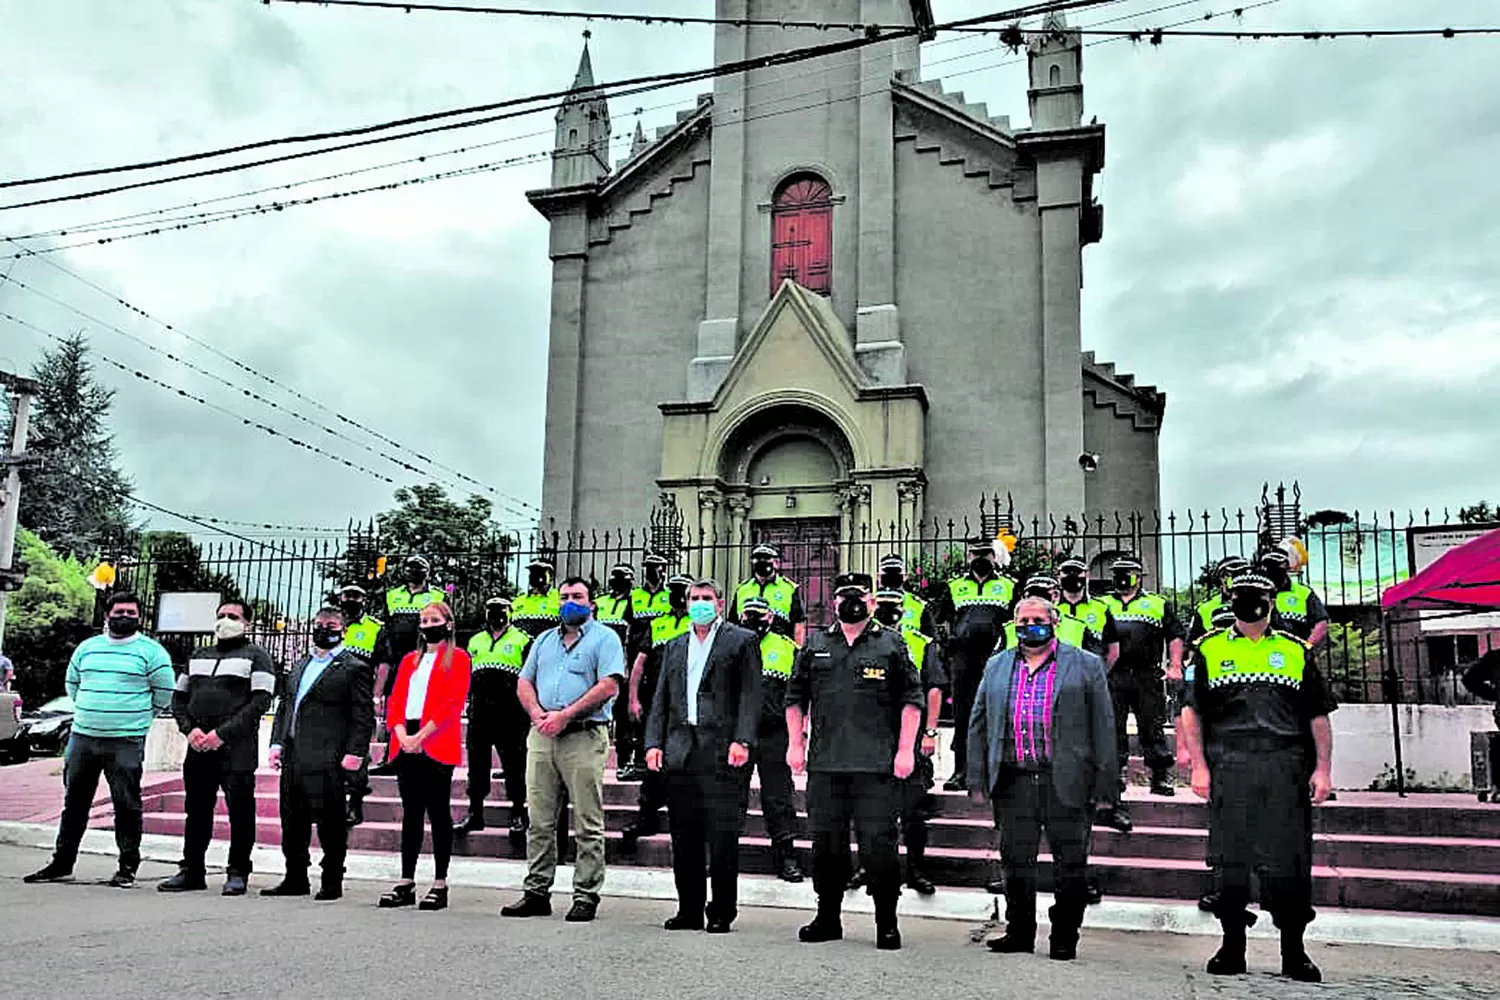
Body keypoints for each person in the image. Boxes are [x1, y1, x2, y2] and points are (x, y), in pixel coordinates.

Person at [1179, 572, 1336, 983]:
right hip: (1230, 765)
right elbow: (1192, 712)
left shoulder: (1294, 650)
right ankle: (1232, 946)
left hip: (1285, 767)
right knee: (1230, 859)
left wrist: (1323, 768)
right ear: (1231, 599)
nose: (1251, 601)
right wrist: (1198, 765)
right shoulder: (1210, 650)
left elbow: (1317, 714)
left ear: (1272, 601)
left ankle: (1294, 950)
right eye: (1243, 595)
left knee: (1290, 859)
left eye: (1260, 595)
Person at [968, 597, 1115, 962]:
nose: (1029, 625)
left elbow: (1104, 727)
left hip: (1066, 780)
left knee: (1071, 865)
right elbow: (979, 723)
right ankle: (1019, 931)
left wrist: (1106, 785)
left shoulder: (1086, 665)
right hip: (1013, 781)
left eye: (1037, 619)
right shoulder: (997, 665)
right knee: (1015, 863)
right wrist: (976, 777)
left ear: (1054, 622)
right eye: (1023, 619)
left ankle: (1065, 935)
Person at [786, 572, 921, 951]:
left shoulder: (891, 644)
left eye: (859, 596)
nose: (851, 603)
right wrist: (795, 745)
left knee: (879, 848)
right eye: (844, 596)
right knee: (826, 847)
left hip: (876, 767)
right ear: (834, 603)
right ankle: (827, 917)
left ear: (873, 602)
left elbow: (912, 700)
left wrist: (906, 749)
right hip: (826, 766)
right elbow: (795, 697)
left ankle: (886, 922)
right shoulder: (815, 644)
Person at [24, 592, 174, 888]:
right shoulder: (88, 648)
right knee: (74, 803)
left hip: (126, 740)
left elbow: (164, 692)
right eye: (119, 612)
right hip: (83, 737)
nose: (125, 617)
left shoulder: (151, 652)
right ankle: (61, 863)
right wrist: (93, 711)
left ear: (140, 617)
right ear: (107, 616)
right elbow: (73, 684)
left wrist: (139, 719)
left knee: (126, 804)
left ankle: (127, 867)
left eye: (131, 613)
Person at [502, 576, 627, 923]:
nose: (570, 601)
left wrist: (566, 715)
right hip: (542, 736)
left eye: (578, 596)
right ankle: (536, 891)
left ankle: (586, 894)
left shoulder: (606, 639)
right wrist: (537, 713)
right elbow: (524, 681)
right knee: (539, 820)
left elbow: (609, 685)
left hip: (583, 736)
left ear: (592, 602)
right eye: (565, 596)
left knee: (588, 821)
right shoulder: (543, 640)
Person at [644, 579, 761, 933]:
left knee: (722, 837)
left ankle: (722, 910)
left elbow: (750, 696)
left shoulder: (741, 641)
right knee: (685, 836)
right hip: (681, 751)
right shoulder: (675, 646)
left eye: (706, 598)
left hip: (723, 751)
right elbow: (661, 698)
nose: (699, 604)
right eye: (694, 598)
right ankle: (689, 909)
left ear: (720, 604)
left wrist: (742, 739)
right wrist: (653, 743)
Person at [160, 598, 277, 895]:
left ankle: (238, 872)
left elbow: (260, 701)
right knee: (196, 811)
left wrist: (222, 734)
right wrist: (190, 730)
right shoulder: (198, 654)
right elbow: (179, 698)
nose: (226, 620)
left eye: (234, 616)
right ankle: (191, 871)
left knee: (240, 812)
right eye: (222, 615)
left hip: (236, 751)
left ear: (246, 623)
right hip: (198, 748)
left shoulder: (257, 656)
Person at [261, 607, 374, 901]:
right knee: (292, 819)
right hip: (295, 755)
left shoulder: (354, 667)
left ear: (344, 630)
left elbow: (363, 715)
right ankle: (295, 876)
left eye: (332, 625)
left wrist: (356, 752)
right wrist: (277, 744)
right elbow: (286, 706)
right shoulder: (301, 665)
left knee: (330, 822)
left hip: (329, 756)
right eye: (319, 624)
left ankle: (332, 879)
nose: (324, 629)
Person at [379, 601, 471, 911]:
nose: (428, 624)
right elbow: (396, 700)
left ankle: (440, 883)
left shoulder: (458, 658)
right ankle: (406, 881)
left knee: (438, 812)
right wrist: (402, 733)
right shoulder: (409, 660)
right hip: (407, 738)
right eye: (424, 619)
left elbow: (452, 702)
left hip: (435, 739)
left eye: (434, 619)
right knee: (412, 812)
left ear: (448, 624)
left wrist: (422, 736)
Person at [876, 588, 947, 896]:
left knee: (913, 811)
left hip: (911, 738)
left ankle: (915, 870)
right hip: (872, 738)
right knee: (873, 811)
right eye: (882, 606)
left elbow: (933, 688)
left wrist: (930, 732)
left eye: (894, 606)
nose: (888, 611)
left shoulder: (920, 643)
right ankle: (871, 868)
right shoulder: (860, 641)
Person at [621, 572, 694, 852]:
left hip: (690, 706)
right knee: (652, 762)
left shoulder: (700, 624)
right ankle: (646, 818)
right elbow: (639, 664)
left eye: (682, 590)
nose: (677, 595)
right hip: (658, 703)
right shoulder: (657, 624)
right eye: (674, 590)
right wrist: (633, 698)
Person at [1101, 555, 1183, 801]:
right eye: (1118, 572)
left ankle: (1159, 776)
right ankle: (1116, 776)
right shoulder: (1101, 604)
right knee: (1112, 727)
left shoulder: (1157, 603)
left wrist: (1175, 666)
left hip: (1147, 674)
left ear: (1139, 576)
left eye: (1129, 572)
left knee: (1152, 726)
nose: (1123, 577)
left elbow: (1175, 635)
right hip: (1113, 674)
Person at [937, 537, 1017, 791]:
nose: (982, 558)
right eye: (976, 553)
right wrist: (949, 646)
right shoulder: (954, 587)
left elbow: (1015, 622)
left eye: (987, 553)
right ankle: (961, 770)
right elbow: (943, 621)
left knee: (999, 713)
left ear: (994, 557)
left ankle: (999, 771)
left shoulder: (1009, 586)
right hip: (963, 661)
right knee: (964, 716)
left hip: (997, 660)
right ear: (968, 556)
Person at [457, 597, 533, 843]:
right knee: (477, 762)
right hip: (480, 709)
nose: (496, 614)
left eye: (501, 610)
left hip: (511, 710)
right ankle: (475, 811)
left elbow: (531, 676)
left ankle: (519, 813)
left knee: (514, 762)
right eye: (492, 610)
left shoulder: (523, 639)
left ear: (510, 612)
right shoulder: (475, 640)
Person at [738, 596, 803, 883]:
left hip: (774, 733)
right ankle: (722, 854)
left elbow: (799, 695)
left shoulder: (787, 648)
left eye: (760, 615)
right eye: (749, 615)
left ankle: (786, 856)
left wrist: (798, 734)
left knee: (778, 798)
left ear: (770, 618)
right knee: (731, 795)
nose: (755, 620)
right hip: (739, 734)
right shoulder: (732, 645)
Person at [371, 557, 445, 776]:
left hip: (426, 660)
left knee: (426, 710)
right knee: (396, 712)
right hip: (398, 663)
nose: (414, 572)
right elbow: (385, 630)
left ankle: (425, 758)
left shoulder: (439, 596)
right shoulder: (392, 595)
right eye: (410, 568)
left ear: (428, 572)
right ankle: (391, 758)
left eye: (419, 568)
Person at [618, 552, 672, 781]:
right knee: (638, 711)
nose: (653, 571)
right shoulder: (635, 596)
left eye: (657, 567)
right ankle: (636, 761)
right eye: (649, 567)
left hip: (661, 658)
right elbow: (628, 628)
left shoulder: (671, 596)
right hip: (638, 658)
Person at [336, 583, 385, 825]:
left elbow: (384, 663)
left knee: (357, 749)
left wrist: (376, 696)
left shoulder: (374, 628)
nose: (351, 600)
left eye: (356, 596)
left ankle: (355, 804)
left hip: (359, 698)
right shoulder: (332, 623)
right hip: (331, 698)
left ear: (364, 600)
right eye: (347, 596)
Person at [730, 543, 806, 646]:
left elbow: (799, 625)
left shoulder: (789, 589)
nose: (761, 561)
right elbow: (732, 623)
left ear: (776, 563)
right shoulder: (742, 589)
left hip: (778, 650)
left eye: (766, 558)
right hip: (746, 647)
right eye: (757, 558)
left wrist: (798, 651)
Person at [1259, 548, 1330, 649]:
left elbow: (1321, 622)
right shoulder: (1257, 593)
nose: (1274, 569)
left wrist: (1307, 646)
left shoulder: (1303, 592)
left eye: (1278, 564)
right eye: (1270, 565)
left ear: (1287, 566)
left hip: (1297, 653)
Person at [1056, 558, 1121, 666]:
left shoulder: (1101, 608)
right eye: (1067, 572)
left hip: (1091, 674)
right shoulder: (1050, 608)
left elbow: (1114, 649)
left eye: (1077, 572)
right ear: (1059, 577)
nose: (1072, 576)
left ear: (1087, 575)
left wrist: (1101, 673)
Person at [997, 576, 1089, 652]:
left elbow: (1094, 665)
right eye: (1032, 594)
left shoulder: (1078, 627)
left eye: (1042, 594)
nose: (1037, 600)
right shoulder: (1009, 630)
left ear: (1056, 596)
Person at [1187, 556, 1251, 645]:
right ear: (1221, 578)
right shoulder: (1205, 610)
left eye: (1242, 574)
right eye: (1231, 574)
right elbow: (1191, 646)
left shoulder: (1263, 604)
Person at [877, 553, 935, 635]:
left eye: (896, 572)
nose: (891, 576)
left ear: (905, 576)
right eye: (887, 572)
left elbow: (931, 638)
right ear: (878, 576)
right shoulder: (869, 604)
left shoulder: (918, 605)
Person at [512, 556, 562, 638]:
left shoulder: (560, 598)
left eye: (540, 572)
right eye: (532, 572)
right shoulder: (518, 600)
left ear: (551, 576)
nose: (535, 576)